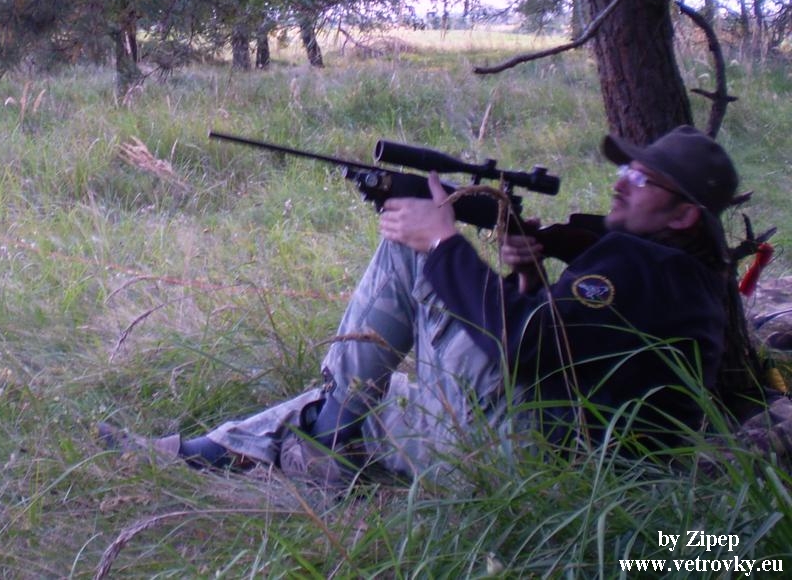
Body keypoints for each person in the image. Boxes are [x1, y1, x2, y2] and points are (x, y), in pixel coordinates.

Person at [100, 126, 765, 487]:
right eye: (625, 170)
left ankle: (317, 438)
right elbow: (570, 349)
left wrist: (443, 240)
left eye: (642, 178)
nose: (622, 184)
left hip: (537, 461)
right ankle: (219, 449)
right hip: (572, 462)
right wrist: (530, 275)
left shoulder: (642, 265)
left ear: (683, 215)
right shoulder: (678, 277)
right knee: (384, 401)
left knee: (408, 254)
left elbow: (523, 348)